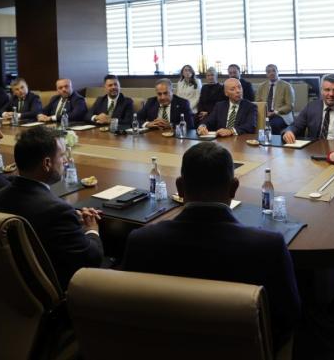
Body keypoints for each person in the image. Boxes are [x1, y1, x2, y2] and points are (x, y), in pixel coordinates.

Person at [122, 142, 300, 351]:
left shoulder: (140, 241)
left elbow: (128, 313)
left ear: (179, 187)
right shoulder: (269, 248)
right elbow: (289, 319)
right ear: (234, 188)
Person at [0, 126, 103, 289]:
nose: (66, 161)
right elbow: (92, 260)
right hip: (56, 290)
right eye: (62, 155)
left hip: (9, 286)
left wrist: (70, 222)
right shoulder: (57, 211)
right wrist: (91, 229)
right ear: (47, 163)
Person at [283, 73, 334, 143]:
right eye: (327, 90)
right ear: (321, 90)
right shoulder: (311, 107)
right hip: (314, 150)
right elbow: (296, 126)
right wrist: (289, 132)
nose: (331, 94)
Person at [255, 64, 295, 135]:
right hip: (265, 114)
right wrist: (264, 112)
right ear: (266, 74)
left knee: (273, 124)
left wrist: (275, 112)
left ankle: (275, 141)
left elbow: (289, 106)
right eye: (269, 71)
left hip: (281, 115)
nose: (271, 73)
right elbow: (257, 102)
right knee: (253, 123)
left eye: (273, 71)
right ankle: (259, 141)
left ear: (277, 72)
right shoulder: (261, 86)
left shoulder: (287, 86)